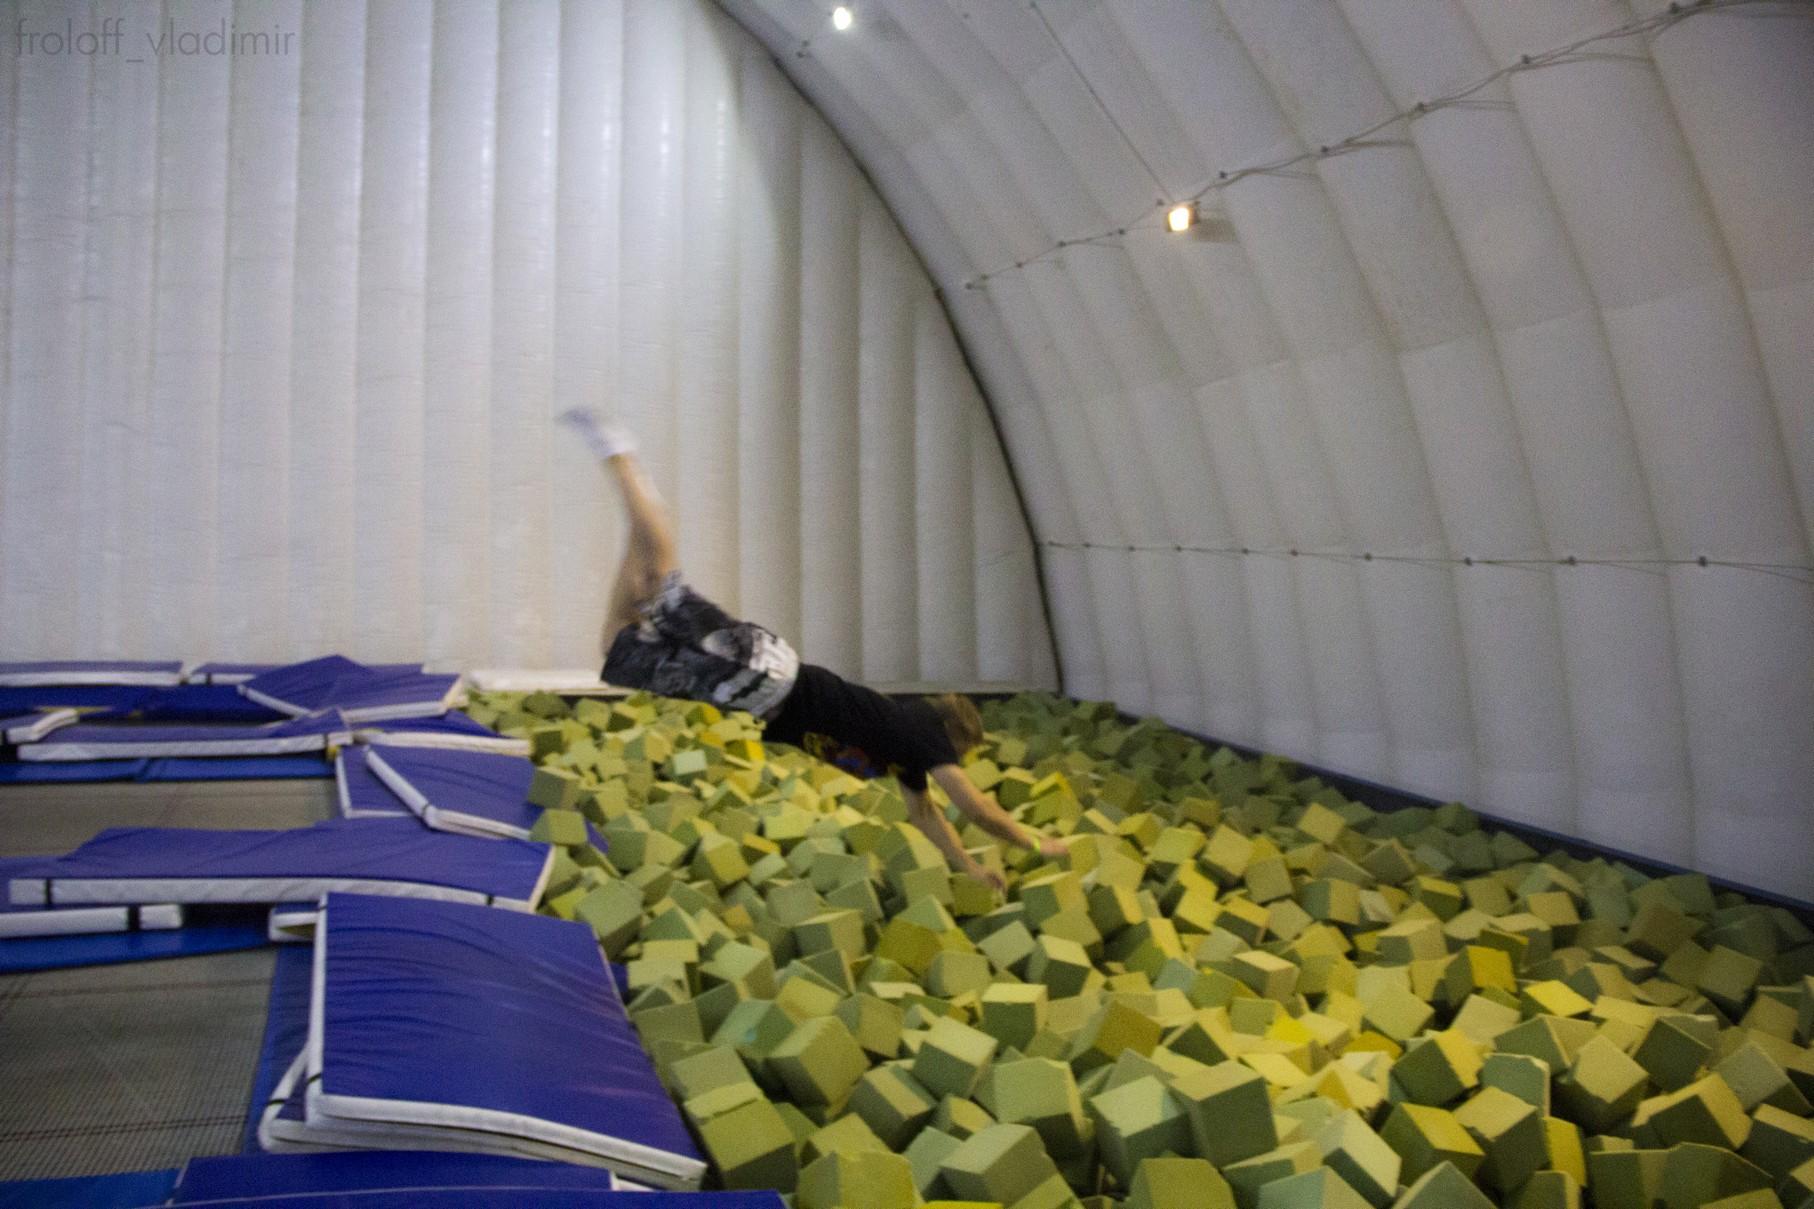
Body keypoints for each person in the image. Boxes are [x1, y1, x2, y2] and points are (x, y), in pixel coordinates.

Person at [560, 408, 1065, 892]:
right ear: (954, 736)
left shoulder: (906, 752)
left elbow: (926, 815)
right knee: (655, 586)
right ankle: (621, 459)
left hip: (762, 679)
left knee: (620, 638)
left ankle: (634, 514)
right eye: (962, 756)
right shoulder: (926, 738)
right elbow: (976, 809)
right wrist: (1036, 843)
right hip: (760, 678)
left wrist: (970, 868)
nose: (958, 766)